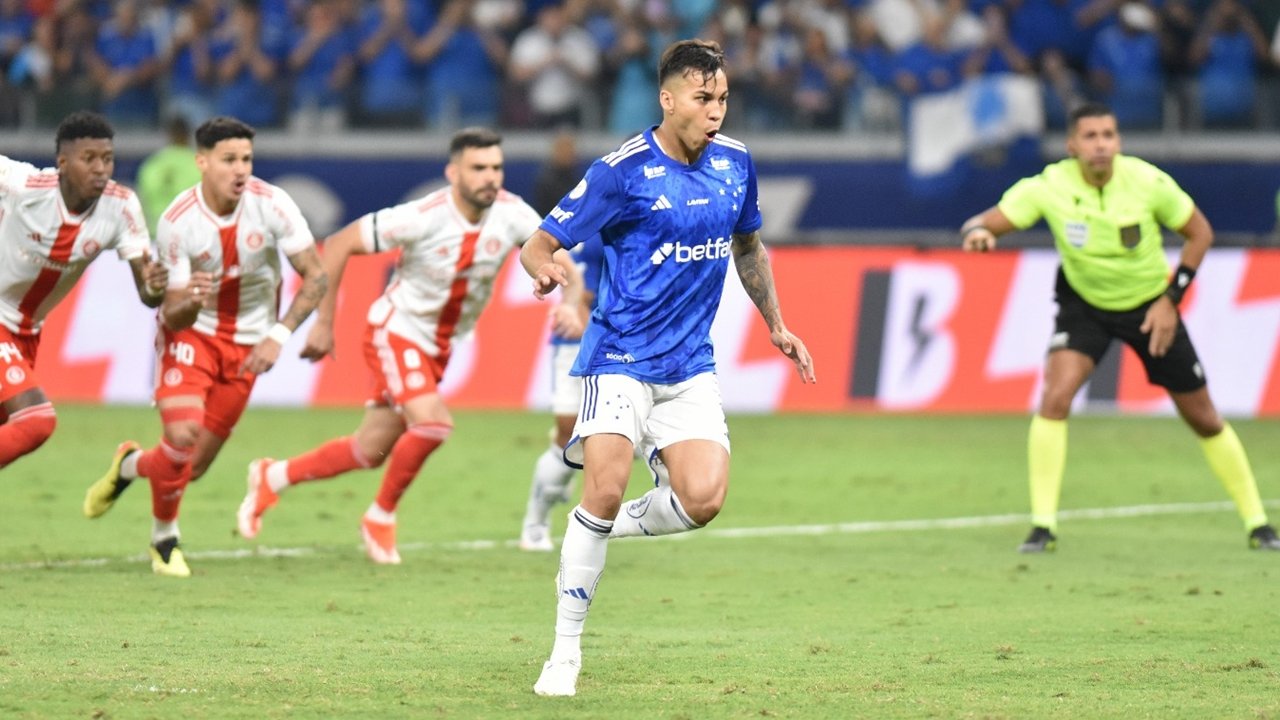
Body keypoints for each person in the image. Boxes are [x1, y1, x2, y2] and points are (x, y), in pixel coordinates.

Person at [519, 39, 816, 697]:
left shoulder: (736, 163)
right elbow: (538, 242)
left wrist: (776, 324)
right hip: (619, 357)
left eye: (723, 98)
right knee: (603, 486)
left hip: (689, 365)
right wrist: (544, 270)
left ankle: (594, 528)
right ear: (668, 98)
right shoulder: (620, 172)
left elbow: (749, 246)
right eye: (703, 98)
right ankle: (564, 653)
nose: (716, 111)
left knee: (703, 500)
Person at [235, 127, 581, 565]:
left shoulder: (511, 213)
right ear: (453, 173)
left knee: (368, 450)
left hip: (439, 345)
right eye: (478, 168)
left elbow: (562, 262)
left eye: (496, 167)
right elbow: (339, 243)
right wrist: (323, 322)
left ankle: (273, 476)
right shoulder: (424, 216)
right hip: (397, 330)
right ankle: (379, 517)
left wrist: (569, 299)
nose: (490, 177)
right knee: (433, 424)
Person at [959, 102, 1280, 554]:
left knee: (1204, 417)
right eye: (1090, 136)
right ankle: (1042, 527)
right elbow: (985, 221)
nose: (1101, 145)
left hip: (1151, 307)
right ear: (1072, 145)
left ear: (1119, 142)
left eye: (1108, 135)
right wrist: (979, 233)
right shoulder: (1049, 187)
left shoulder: (1147, 182)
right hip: (1085, 306)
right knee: (1055, 398)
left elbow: (1200, 233)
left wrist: (1171, 299)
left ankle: (1258, 523)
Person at [83, 116, 328, 578]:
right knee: (182, 435)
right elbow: (171, 312)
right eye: (229, 160)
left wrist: (278, 336)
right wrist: (191, 302)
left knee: (189, 466)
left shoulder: (273, 204)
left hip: (250, 344)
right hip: (193, 336)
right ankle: (165, 540)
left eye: (247, 159)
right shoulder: (178, 222)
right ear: (202, 162)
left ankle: (130, 465)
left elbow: (316, 276)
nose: (241, 170)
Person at [0, 111, 167, 471]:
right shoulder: (21, 185)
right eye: (88, 159)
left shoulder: (121, 206)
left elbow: (147, 293)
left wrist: (155, 285)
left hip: (26, 334)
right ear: (62, 163)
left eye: (107, 159)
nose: (100, 169)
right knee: (35, 421)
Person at [518, 234, 602, 551]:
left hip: (620, 339)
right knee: (568, 437)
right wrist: (573, 308)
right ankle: (535, 524)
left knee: (623, 437)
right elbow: (561, 267)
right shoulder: (567, 226)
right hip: (573, 340)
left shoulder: (625, 217)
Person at [135, 114, 202, 236]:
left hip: (157, 234)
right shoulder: (201, 165)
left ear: (168, 135)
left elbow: (142, 201)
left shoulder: (151, 165)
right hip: (189, 235)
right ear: (189, 136)